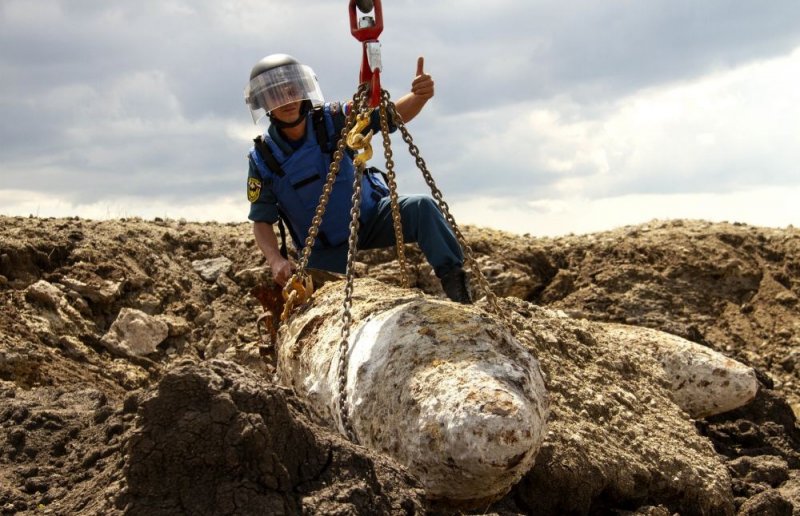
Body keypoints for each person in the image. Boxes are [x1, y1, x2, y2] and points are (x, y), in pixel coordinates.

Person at [244, 53, 471, 303]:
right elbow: (261, 220)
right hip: (324, 250)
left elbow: (387, 117)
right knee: (330, 305)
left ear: (303, 89)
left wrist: (420, 97)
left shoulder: (333, 119)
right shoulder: (263, 159)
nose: (287, 100)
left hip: (371, 217)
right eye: (276, 94)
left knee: (422, 207)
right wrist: (276, 260)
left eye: (291, 90)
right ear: (263, 103)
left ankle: (459, 291)